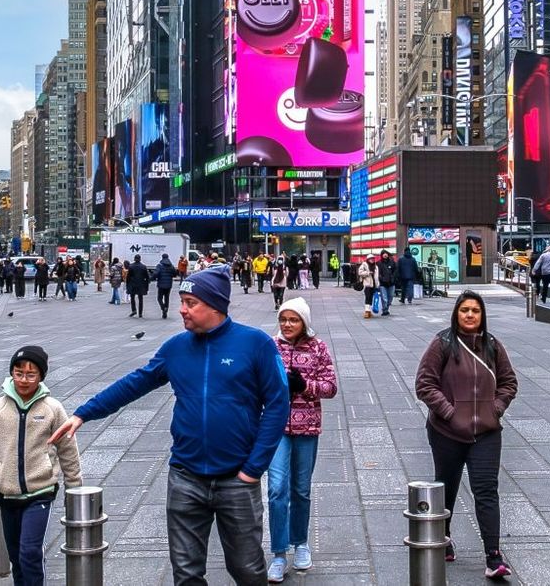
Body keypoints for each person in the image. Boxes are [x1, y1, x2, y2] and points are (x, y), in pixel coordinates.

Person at [53, 268, 289, 585]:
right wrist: (83, 413)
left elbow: (278, 403)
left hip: (237, 478)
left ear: (215, 305)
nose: (181, 309)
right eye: (181, 301)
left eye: (190, 302)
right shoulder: (176, 347)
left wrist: (253, 468)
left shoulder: (256, 344)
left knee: (247, 569)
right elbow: (135, 383)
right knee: (186, 573)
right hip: (186, 477)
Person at [414, 291, 518, 579]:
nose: (470, 315)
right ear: (456, 314)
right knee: (446, 486)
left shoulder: (493, 345)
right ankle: (444, 537)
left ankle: (493, 555)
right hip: (446, 431)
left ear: (482, 314)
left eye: (475, 310)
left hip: (486, 432)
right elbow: (424, 384)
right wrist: (449, 413)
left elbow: (509, 382)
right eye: (464, 310)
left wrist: (495, 409)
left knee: (486, 491)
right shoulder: (443, 343)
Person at [0, 346, 83, 586]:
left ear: (41, 376)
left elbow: (67, 448)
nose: (24, 379)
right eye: (19, 372)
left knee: (29, 552)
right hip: (8, 493)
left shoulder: (52, 408)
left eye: (31, 374)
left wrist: (74, 486)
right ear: (11, 372)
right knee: (16, 558)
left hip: (40, 491)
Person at [266, 299, 337, 582]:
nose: (287, 325)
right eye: (283, 319)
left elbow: (330, 387)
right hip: (276, 428)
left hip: (307, 427)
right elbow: (258, 382)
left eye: (293, 320)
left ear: (304, 322)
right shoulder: (271, 346)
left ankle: (301, 543)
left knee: (301, 489)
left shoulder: (318, 347)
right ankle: (279, 553)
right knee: (276, 489)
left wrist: (304, 386)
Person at [127, 254, 153, 318]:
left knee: (132, 298)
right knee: (140, 299)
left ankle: (134, 310)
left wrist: (128, 284)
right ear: (140, 259)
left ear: (134, 259)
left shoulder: (131, 266)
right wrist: (147, 284)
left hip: (133, 284)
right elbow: (147, 276)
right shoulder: (143, 266)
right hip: (141, 284)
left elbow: (128, 276)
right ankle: (140, 313)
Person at [155, 250, 178, 318]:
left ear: (162, 258)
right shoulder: (171, 266)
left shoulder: (159, 265)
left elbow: (156, 273)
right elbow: (175, 274)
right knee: (167, 297)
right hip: (169, 285)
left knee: (159, 298)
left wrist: (152, 278)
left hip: (161, 284)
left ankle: (163, 308)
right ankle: (166, 310)